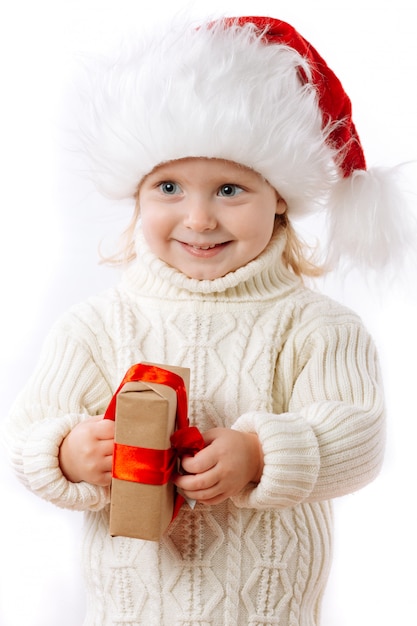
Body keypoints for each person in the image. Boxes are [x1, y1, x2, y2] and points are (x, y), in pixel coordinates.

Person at [2, 15, 414, 626]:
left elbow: (359, 437)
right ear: (136, 194)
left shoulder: (316, 327)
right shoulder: (96, 324)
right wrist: (65, 452)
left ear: (278, 196)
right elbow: (28, 432)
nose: (197, 219)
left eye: (229, 190)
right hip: (128, 613)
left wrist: (258, 452)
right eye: (168, 187)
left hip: (267, 612)